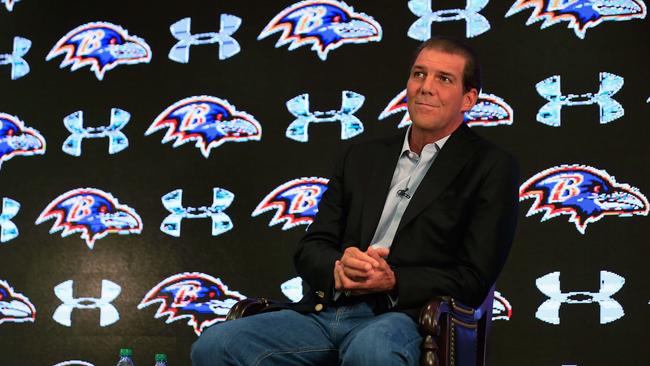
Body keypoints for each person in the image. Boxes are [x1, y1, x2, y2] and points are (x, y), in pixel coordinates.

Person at [191, 36, 519, 366]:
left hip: (405, 318)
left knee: (371, 350)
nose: (426, 87)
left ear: (468, 98)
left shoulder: (490, 166)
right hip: (326, 311)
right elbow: (311, 247)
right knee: (215, 345)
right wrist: (338, 268)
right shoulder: (362, 157)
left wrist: (393, 279)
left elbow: (473, 278)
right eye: (419, 74)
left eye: (443, 79)